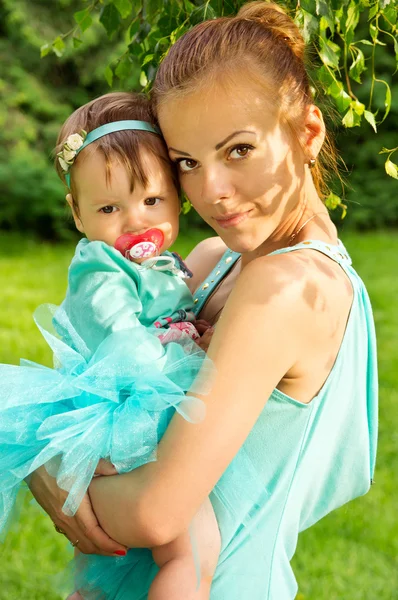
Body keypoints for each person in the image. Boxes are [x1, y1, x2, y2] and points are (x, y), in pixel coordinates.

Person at [28, 2, 378, 599]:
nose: (212, 191)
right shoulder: (220, 261)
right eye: (188, 163)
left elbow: (154, 513)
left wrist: (44, 466)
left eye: (238, 149)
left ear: (308, 133)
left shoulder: (290, 288)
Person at [0, 92, 221, 600]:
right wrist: (187, 352)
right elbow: (124, 341)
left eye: (152, 200)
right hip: (126, 412)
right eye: (108, 207)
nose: (135, 221)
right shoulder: (101, 268)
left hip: (133, 414)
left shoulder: (165, 266)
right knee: (192, 546)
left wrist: (188, 329)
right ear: (77, 214)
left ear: (178, 197)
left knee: (112, 569)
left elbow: (169, 316)